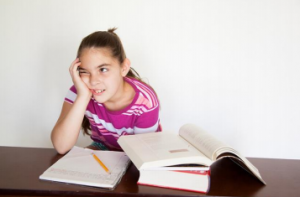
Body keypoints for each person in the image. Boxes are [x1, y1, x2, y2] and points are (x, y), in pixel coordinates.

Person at [51, 28, 161, 154]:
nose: (93, 81)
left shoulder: (145, 102)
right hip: (102, 149)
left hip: (139, 154)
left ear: (124, 68)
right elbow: (61, 146)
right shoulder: (80, 91)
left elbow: (144, 154)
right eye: (84, 71)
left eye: (103, 69)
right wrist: (83, 97)